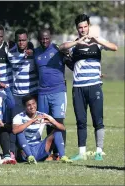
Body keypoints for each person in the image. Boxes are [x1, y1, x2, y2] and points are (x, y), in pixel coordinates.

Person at [59, 14, 118, 161]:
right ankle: (81, 152)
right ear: (77, 28)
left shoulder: (97, 43)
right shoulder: (74, 44)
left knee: (98, 120)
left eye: (85, 26)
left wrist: (96, 39)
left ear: (89, 26)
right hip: (78, 87)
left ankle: (99, 151)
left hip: (94, 86)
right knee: (81, 120)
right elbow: (61, 47)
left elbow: (114, 47)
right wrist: (76, 43)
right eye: (80, 27)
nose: (83, 29)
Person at [34, 29, 67, 161]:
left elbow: (71, 62)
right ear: (38, 39)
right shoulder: (35, 52)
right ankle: (49, 153)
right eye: (42, 39)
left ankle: (60, 153)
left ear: (51, 38)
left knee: (58, 122)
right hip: (42, 92)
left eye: (47, 38)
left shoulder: (58, 49)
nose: (44, 41)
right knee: (46, 122)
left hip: (58, 91)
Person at [12, 95, 72, 164]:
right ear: (24, 107)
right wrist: (31, 121)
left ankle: (63, 156)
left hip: (39, 149)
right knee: (20, 132)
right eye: (29, 105)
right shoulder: (19, 117)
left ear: (36, 104)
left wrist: (52, 121)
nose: (32, 107)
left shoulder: (42, 115)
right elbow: (15, 130)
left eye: (33, 104)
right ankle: (30, 157)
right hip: (25, 151)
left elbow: (63, 128)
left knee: (57, 131)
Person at [7, 28, 37, 158]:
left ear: (27, 40)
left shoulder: (34, 54)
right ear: (16, 41)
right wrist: (26, 56)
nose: (21, 43)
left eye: (24, 40)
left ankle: (33, 151)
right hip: (18, 95)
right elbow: (16, 63)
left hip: (32, 94)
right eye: (19, 40)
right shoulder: (11, 54)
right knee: (16, 125)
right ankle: (12, 153)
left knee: (34, 124)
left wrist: (33, 54)